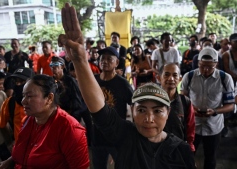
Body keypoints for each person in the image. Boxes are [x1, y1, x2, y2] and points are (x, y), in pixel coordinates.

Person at [58, 3, 195, 169]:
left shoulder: (181, 150)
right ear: (133, 111)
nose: (149, 119)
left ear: (168, 113)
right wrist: (80, 60)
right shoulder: (125, 136)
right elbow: (100, 110)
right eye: (141, 110)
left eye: (157, 111)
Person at [0, 75, 89, 169]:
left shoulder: (70, 130)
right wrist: (11, 160)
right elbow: (26, 151)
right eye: (24, 96)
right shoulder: (29, 120)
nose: (23, 101)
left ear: (49, 98)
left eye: (29, 96)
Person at [181, 47, 235, 169]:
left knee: (210, 159)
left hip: (214, 127)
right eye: (202, 66)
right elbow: (182, 100)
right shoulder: (189, 77)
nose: (205, 70)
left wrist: (215, 111)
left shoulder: (225, 78)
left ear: (216, 64)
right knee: (187, 157)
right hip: (192, 126)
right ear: (198, 62)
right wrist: (192, 110)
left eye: (210, 67)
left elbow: (231, 105)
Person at [92, 46, 133, 169]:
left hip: (117, 134)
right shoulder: (94, 80)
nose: (104, 61)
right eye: (102, 58)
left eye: (109, 59)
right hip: (97, 134)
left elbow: (135, 104)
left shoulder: (123, 84)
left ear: (117, 63)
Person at [157, 63, 195, 152]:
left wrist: (189, 151)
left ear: (180, 79)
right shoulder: (152, 101)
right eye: (166, 75)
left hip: (177, 150)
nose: (171, 79)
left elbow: (190, 130)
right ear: (159, 78)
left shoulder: (185, 102)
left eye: (175, 75)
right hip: (156, 150)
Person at [0, 68, 35, 143]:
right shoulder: (9, 102)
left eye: (22, 81)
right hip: (20, 148)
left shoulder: (42, 101)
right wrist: (9, 142)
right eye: (16, 81)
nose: (18, 84)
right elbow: (2, 125)